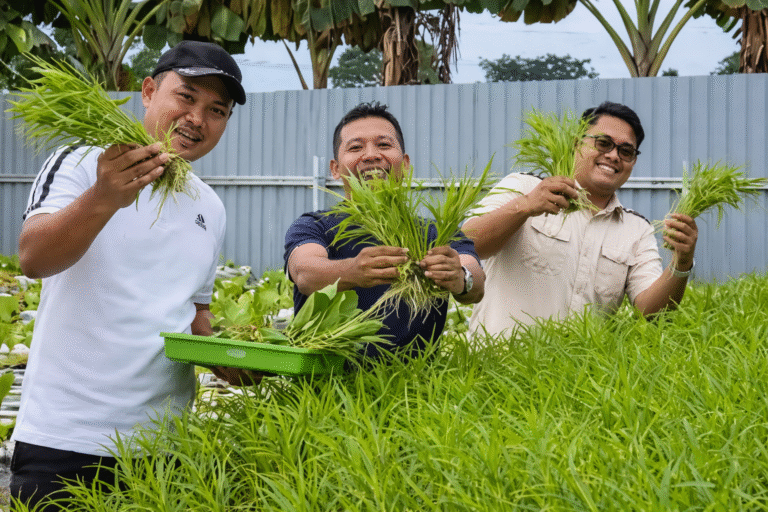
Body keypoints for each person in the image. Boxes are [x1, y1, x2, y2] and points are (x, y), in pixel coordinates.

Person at [10, 41, 253, 510]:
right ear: (148, 91)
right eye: (186, 97)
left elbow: (194, 315)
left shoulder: (210, 206)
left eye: (216, 110)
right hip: (65, 442)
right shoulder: (84, 163)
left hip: (163, 450)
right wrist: (103, 198)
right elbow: (33, 258)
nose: (197, 119)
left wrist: (234, 356)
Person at [463, 101, 698, 337]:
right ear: (577, 144)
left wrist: (682, 263)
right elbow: (468, 244)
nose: (614, 155)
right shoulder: (524, 187)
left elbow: (652, 312)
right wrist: (526, 206)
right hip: (500, 368)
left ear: (633, 161)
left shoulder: (637, 229)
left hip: (578, 371)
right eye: (603, 143)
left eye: (626, 151)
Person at [284, 102, 485, 359]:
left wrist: (460, 277)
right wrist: (352, 272)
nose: (371, 155)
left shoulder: (435, 232)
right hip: (327, 387)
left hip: (417, 388)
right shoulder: (315, 226)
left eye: (384, 145)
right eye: (356, 147)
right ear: (335, 169)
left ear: (405, 163)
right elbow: (304, 272)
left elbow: (476, 281)